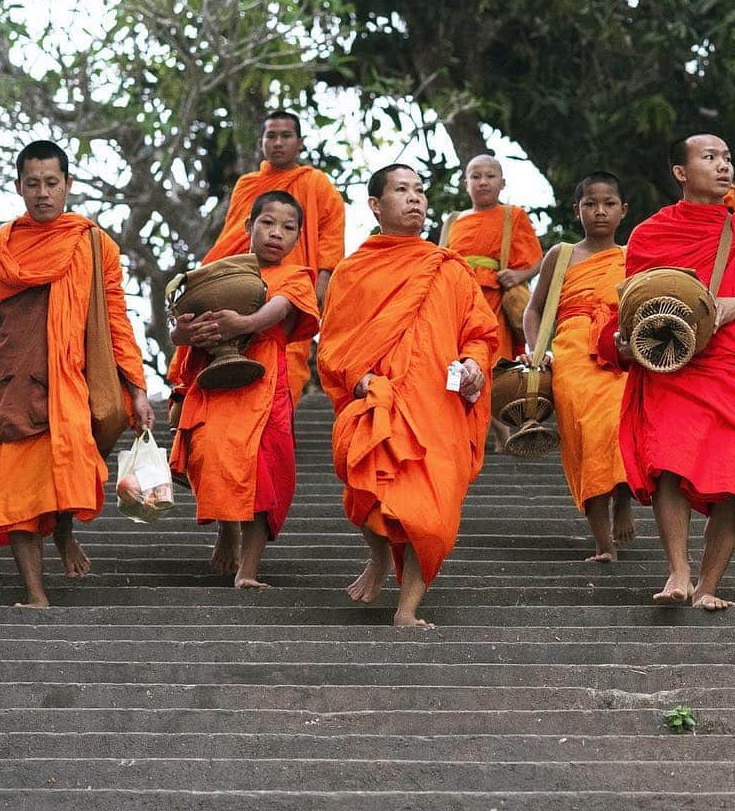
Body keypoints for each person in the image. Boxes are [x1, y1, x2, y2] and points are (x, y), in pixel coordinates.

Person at [0, 141, 153, 609]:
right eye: (33, 184)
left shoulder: (93, 243)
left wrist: (138, 388)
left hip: (71, 383)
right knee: (16, 490)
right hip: (10, 385)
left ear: (68, 184)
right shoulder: (1, 247)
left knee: (65, 472)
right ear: (18, 186)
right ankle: (36, 594)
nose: (43, 193)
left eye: (52, 183)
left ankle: (63, 534)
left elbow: (115, 319)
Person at [599, 134, 735, 611]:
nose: (723, 166)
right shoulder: (651, 234)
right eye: (709, 158)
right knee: (669, 463)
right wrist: (621, 340)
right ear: (681, 172)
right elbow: (631, 304)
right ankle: (678, 573)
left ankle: (709, 585)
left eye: (726, 158)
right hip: (674, 366)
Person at [317, 164, 499, 628]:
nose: (415, 198)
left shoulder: (449, 268)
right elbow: (334, 343)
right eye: (402, 190)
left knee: (433, 513)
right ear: (376, 205)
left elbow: (478, 332)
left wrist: (475, 363)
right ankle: (379, 557)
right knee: (365, 489)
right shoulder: (353, 271)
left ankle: (408, 608)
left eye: (420, 191)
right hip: (380, 399)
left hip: (439, 404)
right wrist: (358, 380)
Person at [168, 191, 319, 587]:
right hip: (215, 381)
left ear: (298, 237)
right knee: (212, 455)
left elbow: (280, 309)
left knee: (262, 473)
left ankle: (247, 572)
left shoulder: (295, 276)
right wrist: (182, 332)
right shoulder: (224, 272)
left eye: (288, 228)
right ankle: (225, 527)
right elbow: (184, 323)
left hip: (266, 383)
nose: (276, 234)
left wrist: (243, 324)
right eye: (267, 223)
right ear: (248, 227)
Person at [523, 172, 634, 562]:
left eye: (608, 203)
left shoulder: (633, 256)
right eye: (590, 203)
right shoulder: (561, 254)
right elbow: (534, 311)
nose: (599, 211)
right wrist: (536, 352)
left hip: (619, 355)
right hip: (571, 355)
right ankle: (603, 544)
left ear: (623, 210)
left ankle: (624, 495)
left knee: (618, 428)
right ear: (577, 210)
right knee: (584, 439)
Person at [203, 110, 344, 402]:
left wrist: (323, 281)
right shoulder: (247, 185)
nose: (278, 142)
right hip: (244, 284)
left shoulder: (315, 182)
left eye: (286, 135)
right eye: (271, 135)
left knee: (286, 363)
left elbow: (331, 233)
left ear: (300, 142)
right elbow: (232, 237)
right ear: (260, 142)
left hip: (292, 289)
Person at [441, 154, 543, 363]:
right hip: (456, 299)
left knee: (493, 357)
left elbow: (537, 259)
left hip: (494, 298)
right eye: (476, 177)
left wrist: (518, 275)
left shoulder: (512, 215)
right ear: (466, 183)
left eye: (490, 176)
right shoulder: (453, 221)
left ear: (502, 183)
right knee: (452, 359)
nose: (483, 182)